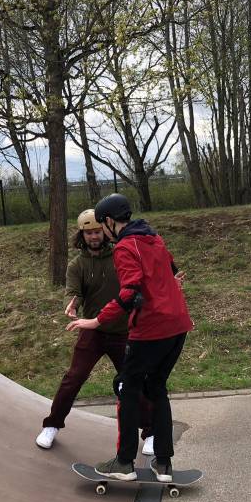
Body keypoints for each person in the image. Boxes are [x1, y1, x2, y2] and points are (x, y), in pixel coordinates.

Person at [66, 194, 192, 483]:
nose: (103, 232)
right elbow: (171, 270)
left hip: (151, 329)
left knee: (126, 387)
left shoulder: (124, 247)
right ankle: (164, 463)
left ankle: (124, 462)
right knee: (156, 387)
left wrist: (95, 321)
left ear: (110, 222)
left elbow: (129, 292)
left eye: (102, 225)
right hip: (178, 325)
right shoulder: (153, 237)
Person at [36, 209, 154, 451]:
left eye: (97, 231)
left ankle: (151, 432)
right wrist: (71, 304)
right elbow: (73, 292)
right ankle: (52, 425)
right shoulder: (77, 265)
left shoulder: (120, 255)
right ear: (82, 235)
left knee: (134, 380)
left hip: (122, 331)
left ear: (105, 231)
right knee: (73, 378)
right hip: (93, 331)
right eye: (88, 233)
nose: (94, 236)